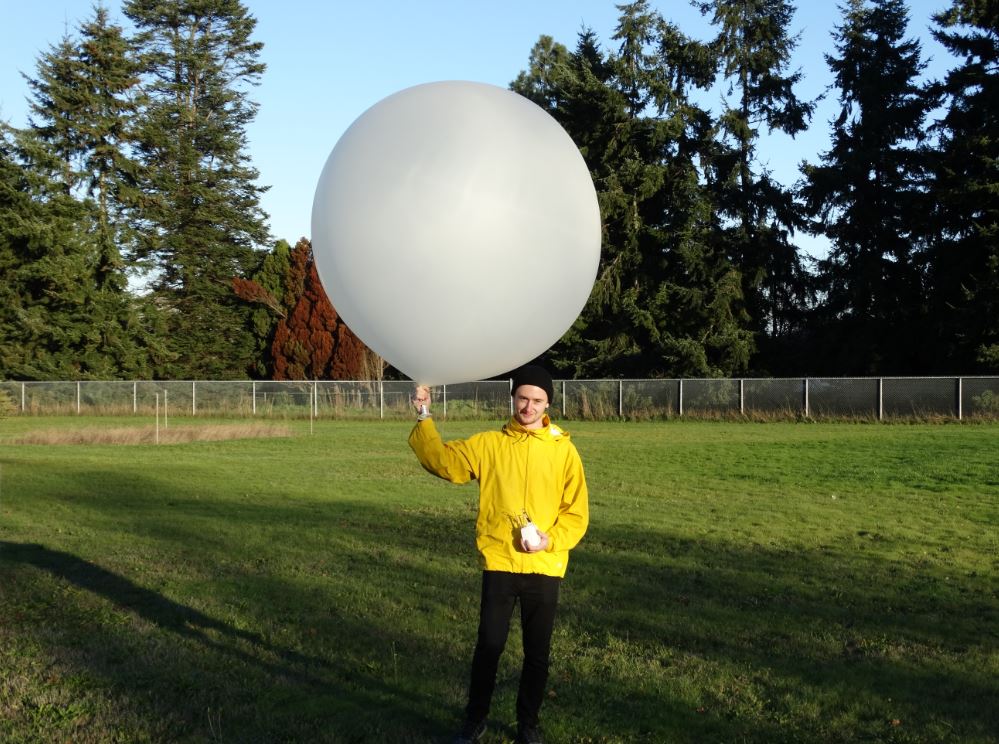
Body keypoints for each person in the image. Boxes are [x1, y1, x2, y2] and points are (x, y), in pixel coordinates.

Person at [409, 365, 589, 744]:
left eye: (537, 400)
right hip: (500, 563)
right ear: (513, 398)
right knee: (489, 647)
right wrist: (424, 415)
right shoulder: (489, 444)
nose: (529, 406)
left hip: (544, 567)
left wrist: (550, 541)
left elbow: (576, 513)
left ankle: (528, 725)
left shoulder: (564, 451)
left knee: (537, 654)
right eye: (523, 398)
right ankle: (475, 719)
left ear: (548, 404)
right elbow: (443, 461)